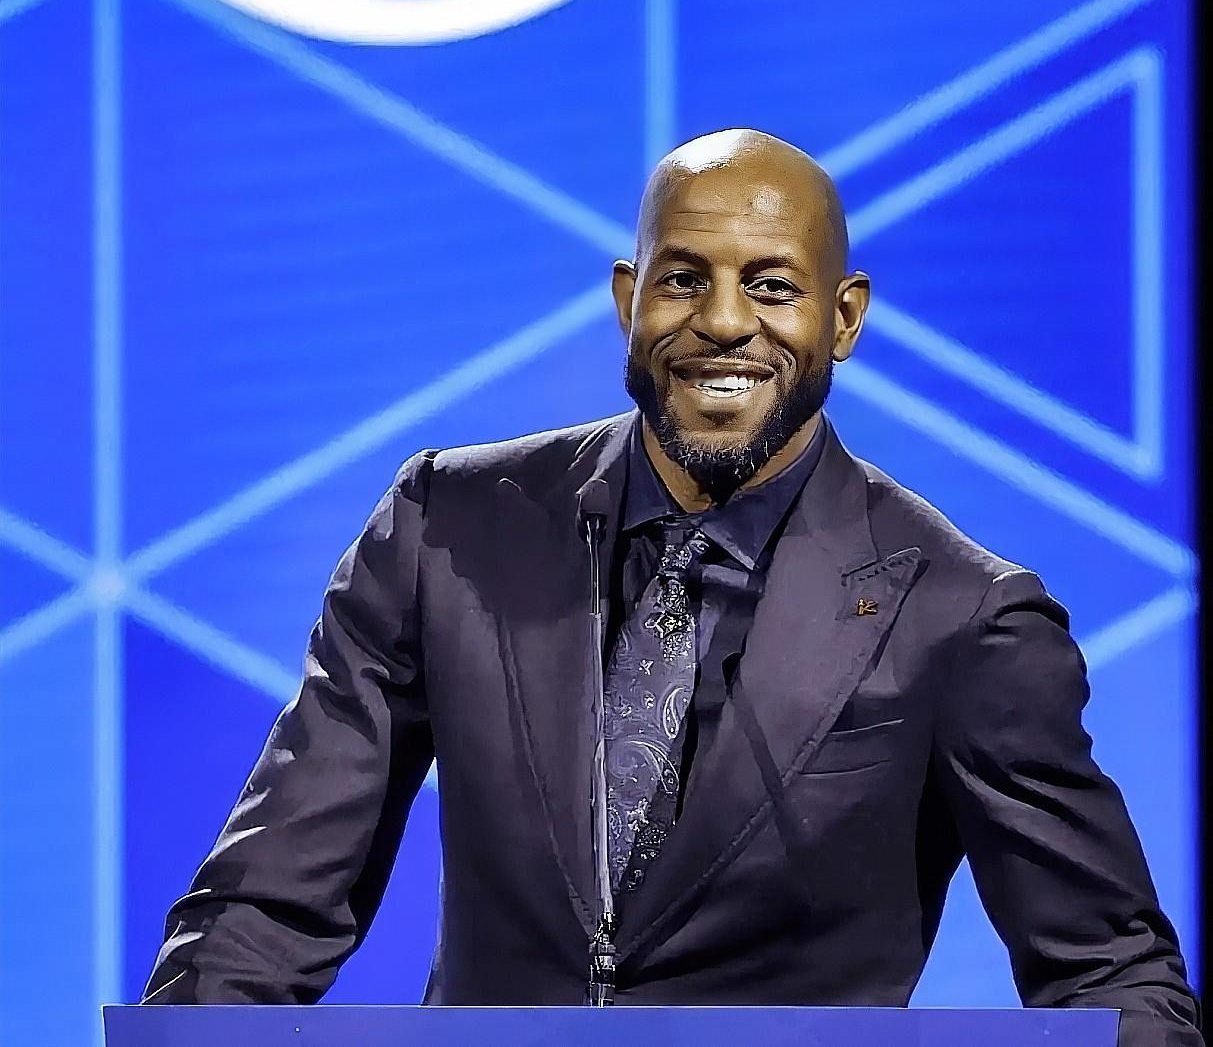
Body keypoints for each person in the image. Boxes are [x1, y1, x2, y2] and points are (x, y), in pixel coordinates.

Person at [144, 129, 1202, 1044]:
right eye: (684, 278)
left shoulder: (961, 617)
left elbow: (1111, 976)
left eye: (772, 286)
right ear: (628, 299)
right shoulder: (449, 527)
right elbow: (264, 905)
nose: (724, 321)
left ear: (843, 319)